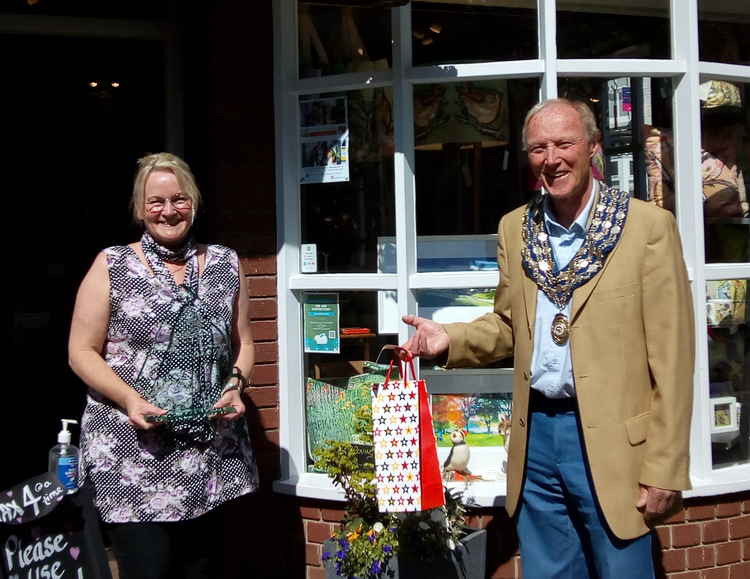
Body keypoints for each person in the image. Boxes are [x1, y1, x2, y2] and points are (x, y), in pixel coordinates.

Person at [402, 99, 694, 578]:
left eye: (564, 143)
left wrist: (665, 467)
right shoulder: (516, 228)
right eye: (538, 148)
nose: (551, 158)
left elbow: (675, 359)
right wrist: (449, 339)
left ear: (594, 148)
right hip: (536, 436)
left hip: (614, 443)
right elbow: (510, 327)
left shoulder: (646, 228)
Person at [68, 152, 259, 579]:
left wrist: (234, 386)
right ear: (139, 209)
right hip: (133, 457)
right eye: (156, 202)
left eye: (179, 199)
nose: (169, 211)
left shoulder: (227, 263)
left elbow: (245, 343)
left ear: (194, 201)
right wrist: (130, 399)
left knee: (202, 570)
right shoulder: (112, 264)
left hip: (210, 456)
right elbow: (80, 351)